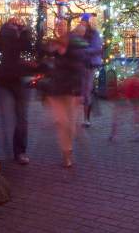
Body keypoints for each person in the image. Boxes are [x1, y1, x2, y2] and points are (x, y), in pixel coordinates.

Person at [0, 16, 35, 165]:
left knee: (8, 115)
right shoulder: (15, 34)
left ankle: (8, 148)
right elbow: (28, 48)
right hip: (14, 77)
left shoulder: (4, 32)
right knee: (20, 116)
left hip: (5, 76)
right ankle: (19, 151)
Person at [41, 19, 87, 168]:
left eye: (61, 25)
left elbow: (80, 69)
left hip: (71, 89)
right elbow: (45, 62)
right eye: (57, 26)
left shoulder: (73, 45)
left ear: (66, 28)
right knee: (62, 122)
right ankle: (66, 154)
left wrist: (80, 91)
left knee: (71, 124)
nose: (59, 28)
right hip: (56, 89)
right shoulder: (53, 45)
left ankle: (69, 148)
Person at [108, 62, 139, 142]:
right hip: (134, 98)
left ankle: (114, 134)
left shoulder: (136, 79)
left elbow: (126, 86)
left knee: (120, 116)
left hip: (130, 97)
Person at [77, 14, 104, 126]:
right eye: (81, 22)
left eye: (84, 22)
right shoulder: (79, 33)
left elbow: (96, 48)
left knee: (87, 91)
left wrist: (82, 49)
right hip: (80, 64)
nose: (82, 24)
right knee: (81, 91)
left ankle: (86, 119)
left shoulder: (94, 34)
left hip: (89, 64)